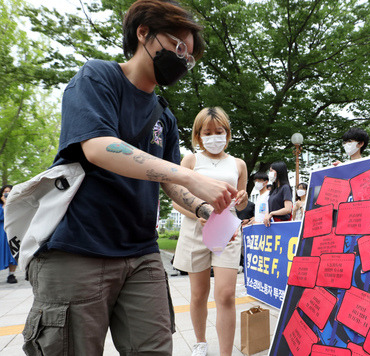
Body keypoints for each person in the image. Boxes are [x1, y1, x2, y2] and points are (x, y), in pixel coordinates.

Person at [21, 1, 239, 355]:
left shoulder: (164, 117)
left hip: (141, 253)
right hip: (78, 248)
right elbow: (98, 147)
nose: (183, 61)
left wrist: (206, 208)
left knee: (155, 348)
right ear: (144, 33)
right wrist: (191, 175)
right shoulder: (97, 77)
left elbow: (168, 182)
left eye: (189, 59)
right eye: (179, 47)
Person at [172, 107, 248, 356]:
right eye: (207, 132)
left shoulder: (238, 163)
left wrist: (244, 197)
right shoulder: (191, 161)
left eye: (219, 131)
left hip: (227, 231)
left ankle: (225, 352)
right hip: (195, 231)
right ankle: (200, 342)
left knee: (226, 294)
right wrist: (199, 213)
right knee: (198, 294)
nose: (214, 136)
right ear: (198, 135)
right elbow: (176, 200)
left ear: (227, 133)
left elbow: (242, 204)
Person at [264, 161, 293, 226]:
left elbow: (288, 209)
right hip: (272, 224)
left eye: (271, 171)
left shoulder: (285, 188)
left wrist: (272, 213)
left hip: (282, 224)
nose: (269, 173)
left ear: (279, 171)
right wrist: (267, 214)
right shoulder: (274, 189)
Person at [1, 185, 17, 284]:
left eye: (9, 192)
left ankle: (11, 274)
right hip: (1, 231)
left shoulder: (16, 204)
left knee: (12, 252)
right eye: (5, 192)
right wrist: (4, 203)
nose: (6, 194)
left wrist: (7, 203)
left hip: (11, 231)